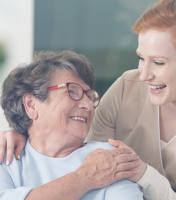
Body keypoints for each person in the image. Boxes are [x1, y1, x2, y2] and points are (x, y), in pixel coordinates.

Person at [1, 0, 176, 199]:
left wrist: (143, 174)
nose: (143, 74)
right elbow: (79, 146)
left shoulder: (113, 169)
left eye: (158, 62)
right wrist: (24, 131)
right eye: (141, 58)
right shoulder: (128, 88)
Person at [0, 51, 143, 200]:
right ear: (31, 105)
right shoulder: (6, 156)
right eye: (72, 92)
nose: (88, 105)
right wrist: (84, 178)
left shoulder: (108, 159)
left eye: (89, 96)